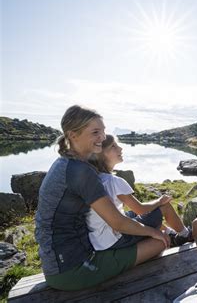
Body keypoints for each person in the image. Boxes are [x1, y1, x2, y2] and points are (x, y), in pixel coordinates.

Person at [35, 105, 170, 291]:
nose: (103, 137)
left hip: (57, 262)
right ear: (73, 135)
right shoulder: (80, 171)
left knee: (149, 236)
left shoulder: (64, 163)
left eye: (103, 131)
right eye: (95, 132)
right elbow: (118, 222)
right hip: (72, 269)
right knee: (159, 242)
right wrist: (152, 231)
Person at [86, 134, 192, 251]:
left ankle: (170, 233)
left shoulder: (97, 178)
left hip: (99, 238)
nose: (120, 149)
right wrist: (159, 201)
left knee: (134, 214)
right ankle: (185, 235)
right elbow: (140, 209)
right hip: (116, 238)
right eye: (114, 146)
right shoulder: (114, 181)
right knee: (164, 206)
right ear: (101, 155)